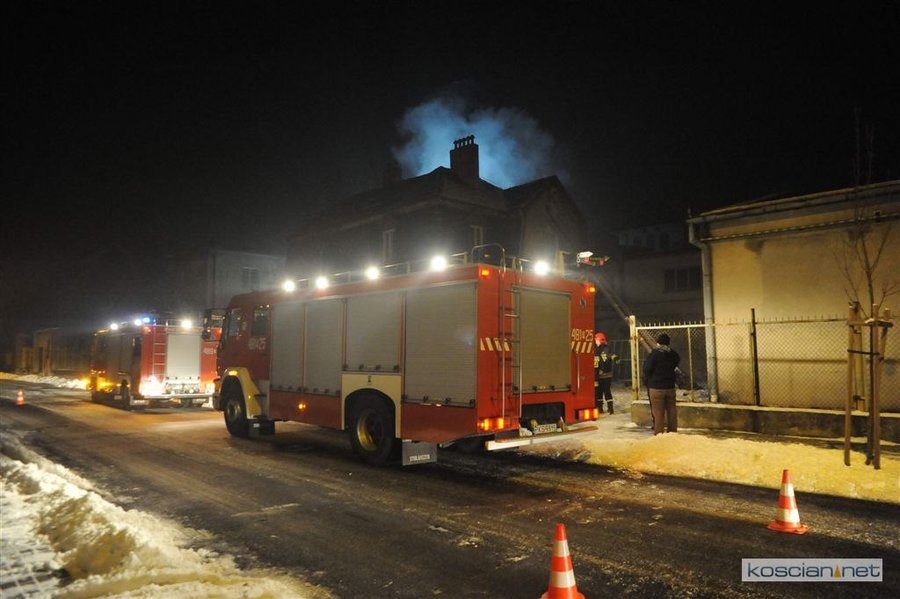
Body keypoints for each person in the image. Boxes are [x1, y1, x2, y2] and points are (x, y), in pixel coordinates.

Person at [643, 333, 681, 434]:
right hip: (670, 386)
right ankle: (672, 432)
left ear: (658, 343)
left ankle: (659, 434)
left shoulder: (654, 354)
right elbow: (676, 361)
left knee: (658, 413)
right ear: (668, 343)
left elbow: (646, 369)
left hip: (656, 387)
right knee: (672, 410)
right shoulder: (673, 354)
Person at [593, 332, 619, 414]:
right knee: (604, 391)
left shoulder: (598, 350)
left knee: (600, 392)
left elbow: (611, 357)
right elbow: (613, 356)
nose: (595, 341)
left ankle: (602, 409)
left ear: (599, 340)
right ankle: (608, 409)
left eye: (596, 340)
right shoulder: (604, 349)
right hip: (604, 375)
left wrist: (616, 358)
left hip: (600, 376)